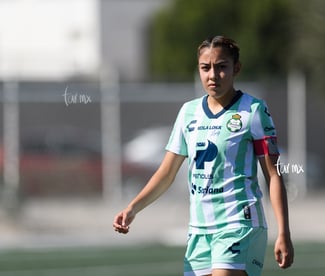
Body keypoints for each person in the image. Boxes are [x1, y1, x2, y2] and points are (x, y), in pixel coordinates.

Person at [113, 35, 294, 276]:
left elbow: (273, 174)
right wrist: (133, 208)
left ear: (236, 68)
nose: (212, 75)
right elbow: (166, 173)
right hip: (199, 232)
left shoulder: (253, 111)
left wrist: (284, 232)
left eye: (221, 67)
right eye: (205, 68)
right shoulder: (188, 113)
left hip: (239, 224)